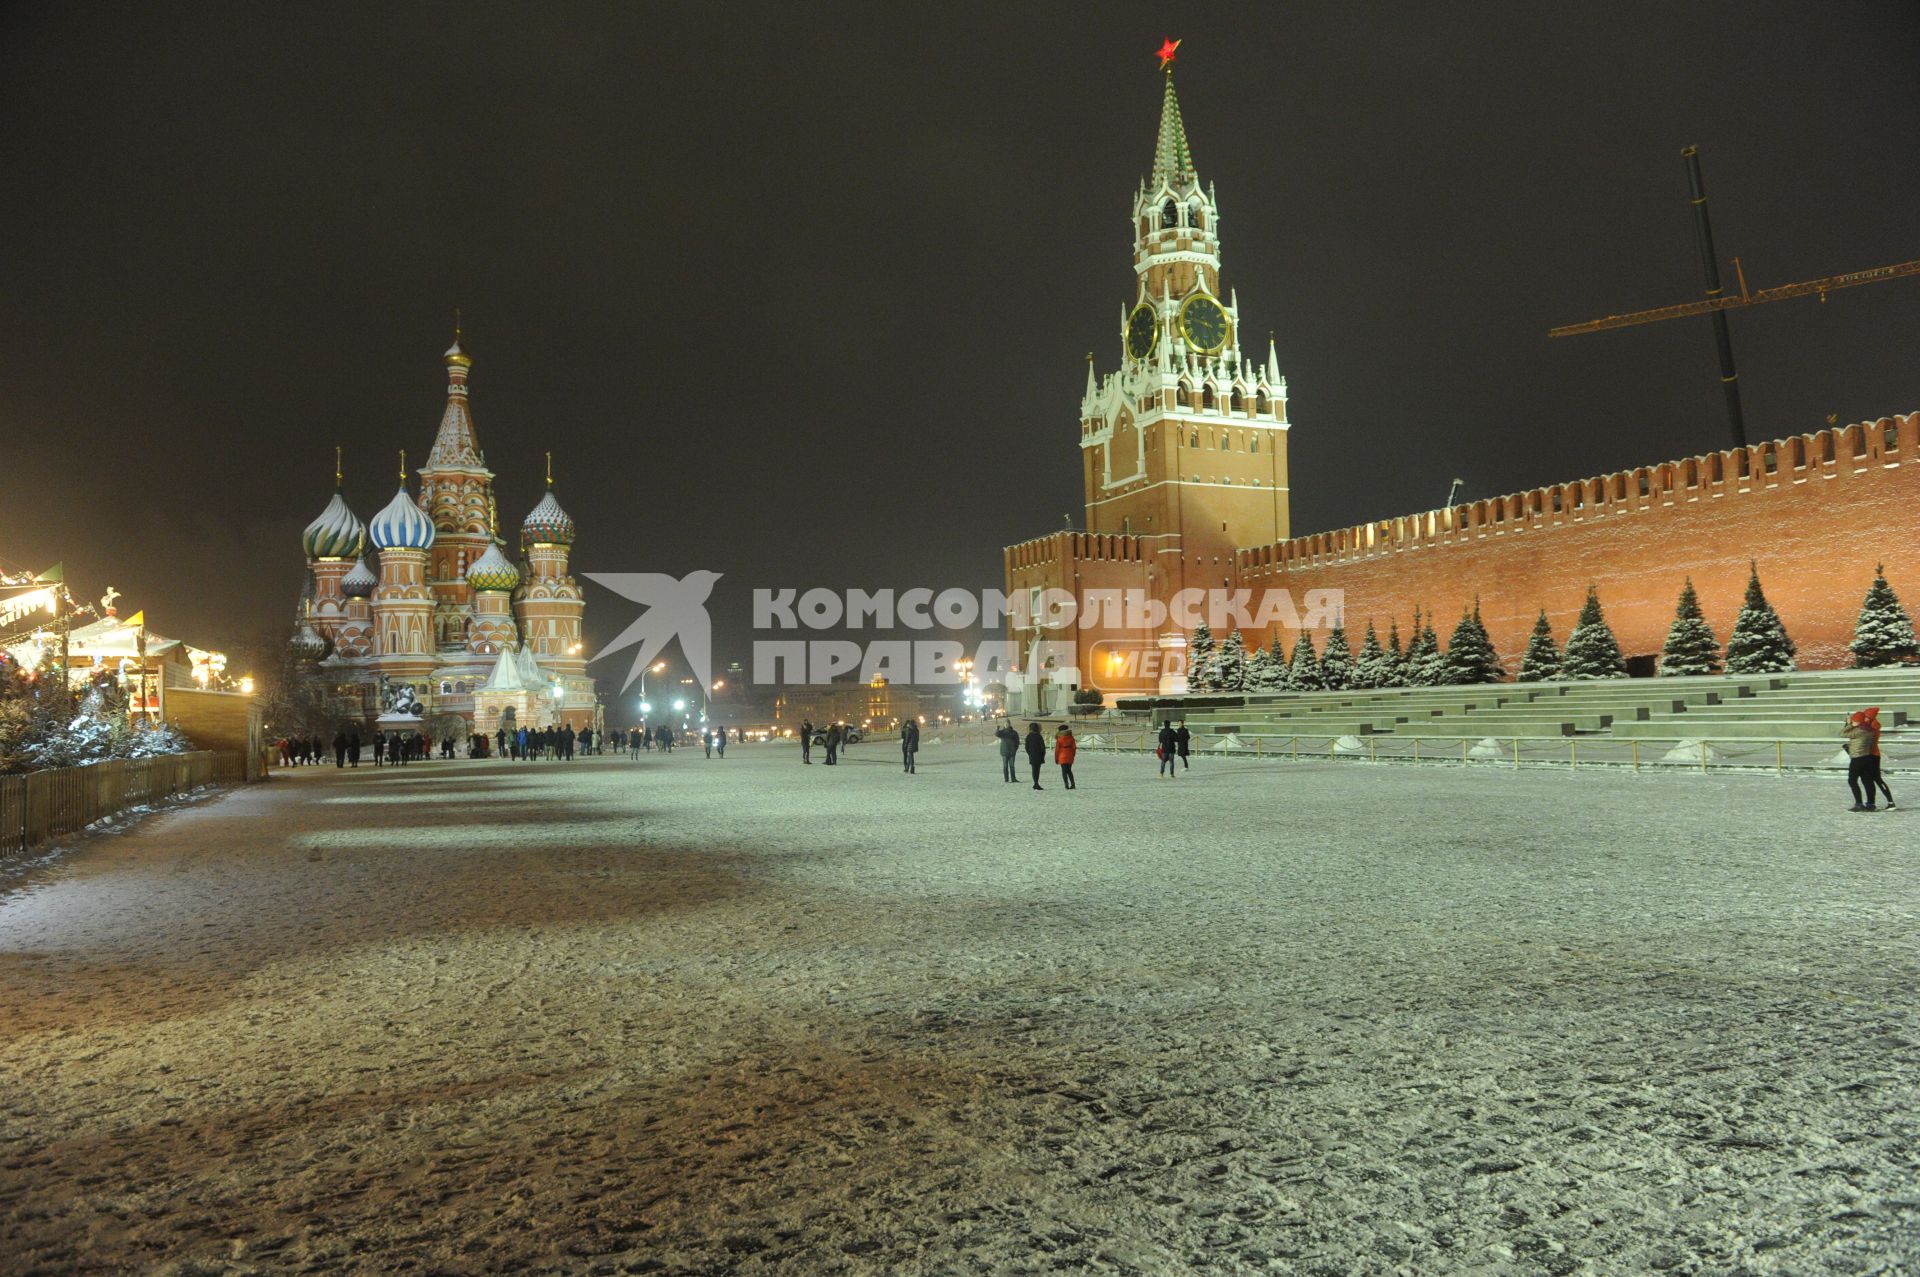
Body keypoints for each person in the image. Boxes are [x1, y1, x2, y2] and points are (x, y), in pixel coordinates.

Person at [1024, 722, 1047, 790]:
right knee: (1037, 769)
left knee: (1034, 769)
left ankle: (1035, 782)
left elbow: (1026, 747)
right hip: (1039, 755)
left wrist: (1029, 753)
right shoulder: (1039, 736)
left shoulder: (1028, 736)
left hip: (1032, 755)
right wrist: (1043, 754)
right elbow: (1042, 747)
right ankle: (1036, 783)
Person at [995, 718, 1020, 783]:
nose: (1006, 724)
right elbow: (997, 734)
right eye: (1005, 723)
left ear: (1009, 724)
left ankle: (1013, 778)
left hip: (1012, 752)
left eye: (1007, 723)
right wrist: (997, 728)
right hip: (1004, 751)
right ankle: (1006, 779)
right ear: (1004, 724)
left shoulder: (1014, 732)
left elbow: (1017, 741)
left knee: (1012, 766)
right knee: (1005, 766)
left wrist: (1015, 749)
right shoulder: (1002, 732)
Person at [1054, 723, 1076, 790]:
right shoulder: (1071, 737)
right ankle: (1073, 784)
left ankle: (1066, 784)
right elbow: (1074, 748)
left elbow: (1057, 749)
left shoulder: (1059, 738)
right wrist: (1073, 755)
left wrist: (1056, 758)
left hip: (1062, 755)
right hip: (1070, 755)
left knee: (1064, 771)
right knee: (1069, 770)